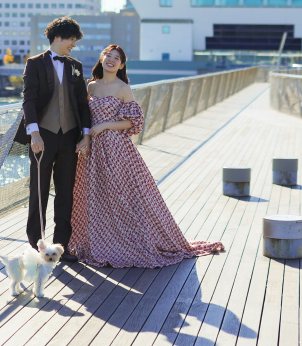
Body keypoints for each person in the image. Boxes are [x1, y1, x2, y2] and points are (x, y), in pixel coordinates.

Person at [68, 45, 224, 267]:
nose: (111, 60)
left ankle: (127, 241)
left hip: (116, 148)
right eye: (108, 56)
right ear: (101, 59)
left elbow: (134, 122)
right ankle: (101, 240)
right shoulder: (91, 86)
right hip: (93, 152)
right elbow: (84, 116)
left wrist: (104, 126)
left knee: (121, 195)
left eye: (117, 59)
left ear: (122, 65)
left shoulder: (123, 88)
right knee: (98, 196)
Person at [15, 17, 92, 260]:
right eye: (71, 40)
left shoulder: (75, 65)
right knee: (39, 192)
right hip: (43, 136)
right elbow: (29, 100)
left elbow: (82, 104)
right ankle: (37, 246)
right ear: (58, 38)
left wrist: (86, 136)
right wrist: (34, 134)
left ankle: (61, 246)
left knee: (66, 191)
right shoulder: (35, 63)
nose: (74, 45)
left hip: (70, 136)